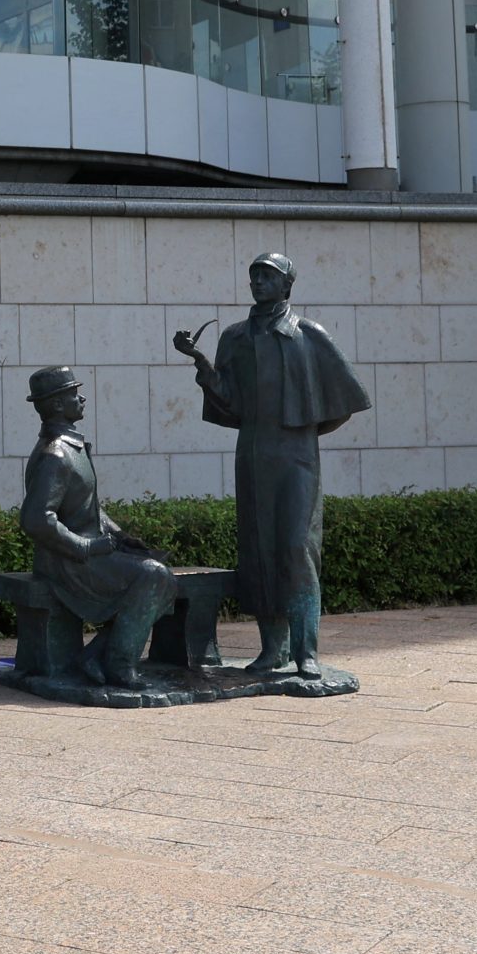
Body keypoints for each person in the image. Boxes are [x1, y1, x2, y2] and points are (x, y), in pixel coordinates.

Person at [171, 253, 369, 677]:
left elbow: (343, 401)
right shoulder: (235, 337)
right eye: (254, 276)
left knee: (297, 549)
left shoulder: (308, 335)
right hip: (254, 452)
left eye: (269, 276)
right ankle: (272, 650)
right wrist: (201, 363)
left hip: (297, 455)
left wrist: (301, 431)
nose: (259, 282)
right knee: (260, 550)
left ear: (287, 285)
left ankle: (306, 651)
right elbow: (229, 402)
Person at [17, 365, 176, 690]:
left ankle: (95, 655)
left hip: (85, 556)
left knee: (163, 579)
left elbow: (89, 507)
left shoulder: (70, 447)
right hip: (68, 563)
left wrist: (121, 537)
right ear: (59, 405)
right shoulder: (56, 455)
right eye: (75, 394)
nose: (83, 398)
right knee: (153, 576)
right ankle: (120, 665)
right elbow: (36, 519)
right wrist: (86, 547)